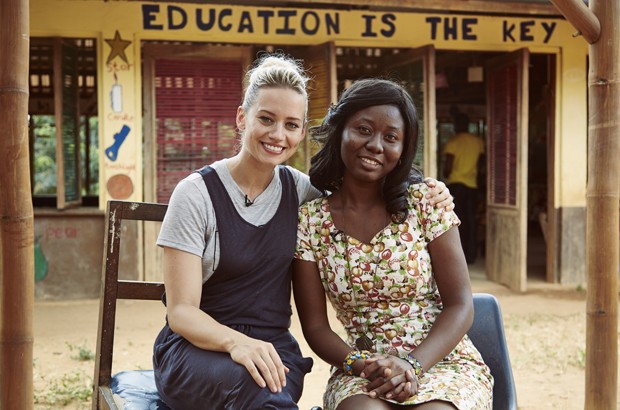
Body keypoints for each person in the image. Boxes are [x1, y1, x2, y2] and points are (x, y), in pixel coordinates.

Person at [152, 55, 454, 409]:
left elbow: (365, 184)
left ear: (301, 131)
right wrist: (236, 343)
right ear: (241, 118)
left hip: (273, 352)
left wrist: (429, 188)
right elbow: (182, 312)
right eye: (266, 119)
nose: (278, 135)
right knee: (259, 390)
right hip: (196, 351)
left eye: (291, 124)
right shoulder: (196, 194)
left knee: (268, 385)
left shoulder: (301, 193)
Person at [293, 79, 493, 410]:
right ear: (341, 130)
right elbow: (315, 327)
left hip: (442, 362)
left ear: (403, 149)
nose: (375, 145)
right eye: (363, 129)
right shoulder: (310, 223)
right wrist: (366, 366)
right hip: (361, 369)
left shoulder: (425, 202)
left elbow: (461, 304)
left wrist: (412, 365)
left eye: (391, 137)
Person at [442, 112, 485, 264]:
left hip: (456, 184)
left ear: (458, 125)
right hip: (472, 185)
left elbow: (447, 168)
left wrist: (446, 174)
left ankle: (460, 256)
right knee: (471, 220)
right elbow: (481, 165)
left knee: (457, 222)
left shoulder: (453, 142)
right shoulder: (477, 142)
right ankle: (471, 255)